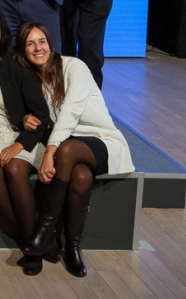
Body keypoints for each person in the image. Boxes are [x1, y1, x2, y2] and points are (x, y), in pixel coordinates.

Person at [16, 21, 134, 277]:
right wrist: (26, 118)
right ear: (23, 51)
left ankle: (45, 231)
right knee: (81, 176)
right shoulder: (33, 80)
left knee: (67, 151)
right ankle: (72, 246)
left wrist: (50, 152)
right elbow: (40, 116)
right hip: (69, 144)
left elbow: (70, 112)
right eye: (30, 44)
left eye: (42, 41)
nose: (38, 48)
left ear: (51, 44)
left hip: (100, 139)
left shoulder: (74, 67)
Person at [0, 6, 53, 275]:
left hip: (18, 134)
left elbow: (41, 114)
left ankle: (33, 249)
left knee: (16, 168)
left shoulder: (14, 64)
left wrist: (19, 143)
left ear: (2, 34)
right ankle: (33, 240)